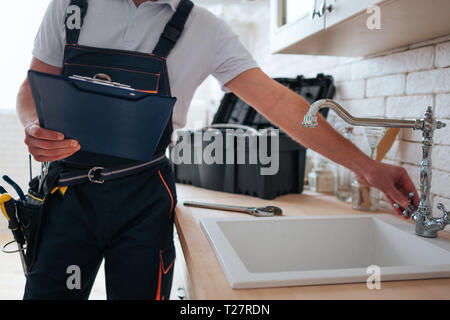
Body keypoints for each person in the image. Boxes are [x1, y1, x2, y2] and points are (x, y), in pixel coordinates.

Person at [16, 0, 418, 300]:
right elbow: (31, 88)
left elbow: (281, 104)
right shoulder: (72, 6)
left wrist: (368, 168)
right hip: (67, 193)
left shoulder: (204, 29)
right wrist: (33, 124)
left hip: (142, 200)